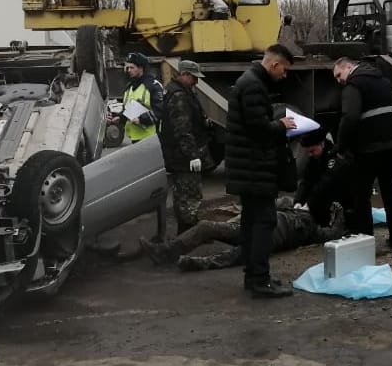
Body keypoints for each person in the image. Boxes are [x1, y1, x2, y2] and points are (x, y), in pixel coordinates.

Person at [225, 44, 297, 297]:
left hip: (249, 168)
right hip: (254, 168)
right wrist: (281, 124)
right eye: (285, 70)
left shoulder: (249, 81)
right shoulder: (254, 85)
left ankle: (254, 276)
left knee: (252, 221)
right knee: (264, 222)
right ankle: (259, 280)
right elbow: (258, 129)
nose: (284, 76)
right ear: (275, 65)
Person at [133, 197, 343, 271]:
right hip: (252, 227)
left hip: (266, 239)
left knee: (236, 256)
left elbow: (334, 233)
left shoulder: (312, 229)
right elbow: (268, 201)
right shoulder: (289, 204)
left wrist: (340, 214)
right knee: (207, 226)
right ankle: (166, 252)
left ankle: (194, 263)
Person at [333, 56, 392, 250]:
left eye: (339, 75)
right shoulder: (384, 81)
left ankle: (364, 242)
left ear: (349, 67)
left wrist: (340, 147)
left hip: (369, 148)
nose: (339, 80)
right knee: (390, 192)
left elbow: (349, 118)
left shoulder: (353, 85)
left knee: (361, 194)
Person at [158, 59, 211, 234]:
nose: (196, 81)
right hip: (182, 157)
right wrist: (192, 155)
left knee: (186, 195)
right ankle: (188, 235)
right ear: (184, 75)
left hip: (179, 154)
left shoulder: (181, 91)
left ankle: (190, 231)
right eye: (194, 77)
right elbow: (182, 129)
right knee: (188, 196)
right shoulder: (179, 95)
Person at [294, 129, 351, 227]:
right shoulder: (314, 159)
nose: (310, 155)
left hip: (340, 202)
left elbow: (326, 182)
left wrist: (309, 204)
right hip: (322, 202)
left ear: (322, 144)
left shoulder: (335, 157)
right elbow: (306, 180)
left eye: (312, 151)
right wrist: (298, 201)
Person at [120, 52, 158, 144]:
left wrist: (141, 119)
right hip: (134, 138)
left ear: (141, 68)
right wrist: (119, 118)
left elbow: (160, 111)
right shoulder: (129, 87)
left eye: (132, 67)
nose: (128, 70)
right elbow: (127, 109)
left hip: (150, 138)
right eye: (127, 67)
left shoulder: (153, 86)